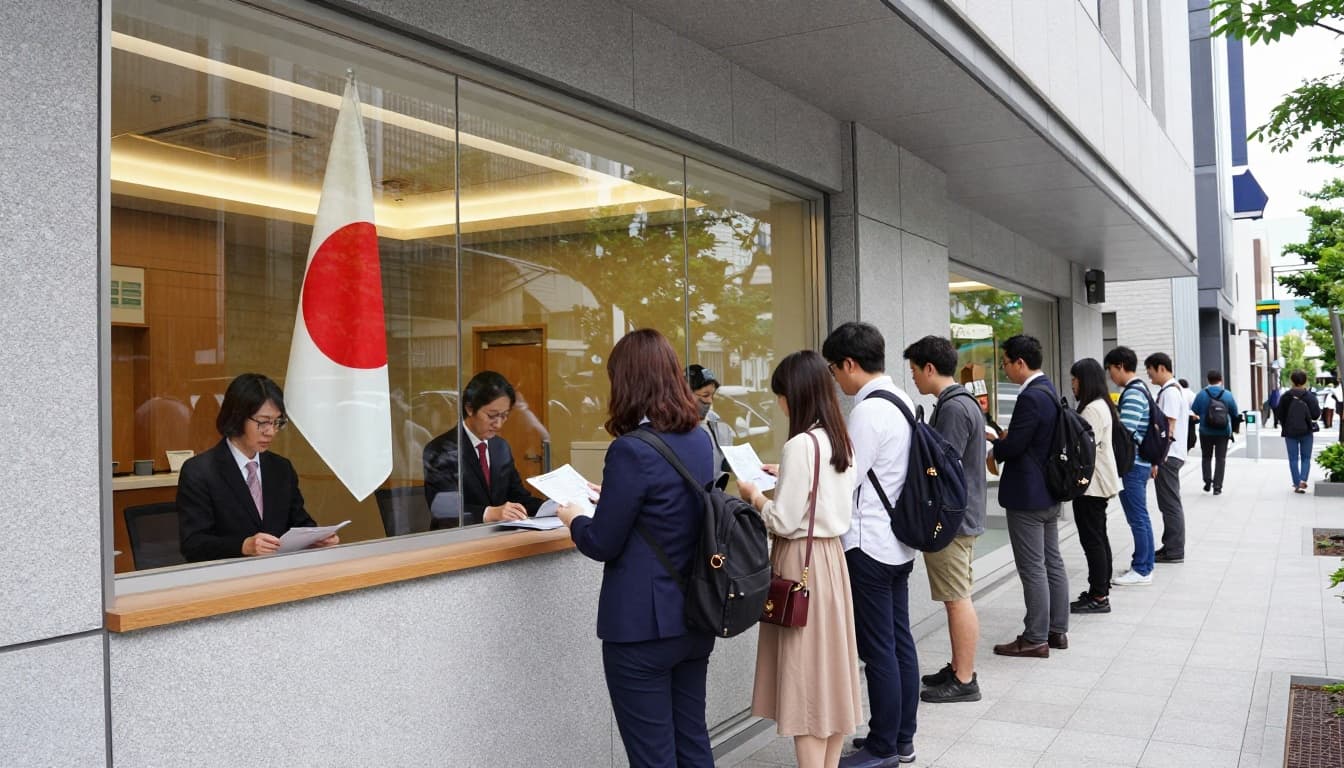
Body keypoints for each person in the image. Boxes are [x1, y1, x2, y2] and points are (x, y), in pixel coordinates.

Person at [554, 329, 717, 768]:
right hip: (695, 617)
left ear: (626, 382)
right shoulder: (700, 440)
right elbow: (669, 507)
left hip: (642, 630)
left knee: (653, 756)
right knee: (692, 742)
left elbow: (602, 542)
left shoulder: (631, 450)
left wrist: (574, 517)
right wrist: (614, 496)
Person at [737, 350, 862, 768]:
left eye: (781, 395)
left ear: (796, 394)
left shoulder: (799, 445)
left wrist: (755, 496)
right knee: (830, 679)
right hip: (832, 563)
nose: (780, 403)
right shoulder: (839, 440)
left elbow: (784, 521)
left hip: (799, 564)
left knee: (806, 680)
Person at [822, 321, 919, 767]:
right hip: (897, 543)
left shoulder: (867, 411)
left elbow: (845, 480)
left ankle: (883, 746)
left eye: (834, 369)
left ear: (849, 364)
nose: (835, 380)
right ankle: (901, 736)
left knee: (878, 648)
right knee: (899, 641)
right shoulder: (902, 399)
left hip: (869, 544)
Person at [177, 373, 339, 562]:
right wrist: (243, 546)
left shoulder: (281, 469)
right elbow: (193, 544)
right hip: (227, 578)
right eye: (262, 422)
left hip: (279, 573)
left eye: (277, 422)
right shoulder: (200, 471)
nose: (270, 432)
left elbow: (300, 523)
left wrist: (317, 538)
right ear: (237, 417)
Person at [903, 335, 984, 703]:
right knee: (957, 595)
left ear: (930, 368)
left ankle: (965, 678)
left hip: (953, 521)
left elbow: (940, 467)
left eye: (915, 371)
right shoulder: (960, 401)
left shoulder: (952, 408)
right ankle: (958, 667)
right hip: (962, 516)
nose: (914, 379)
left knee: (956, 598)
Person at [987, 335, 1069, 658]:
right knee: (1052, 562)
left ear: (1020, 363)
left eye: (1005, 363)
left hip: (1028, 496)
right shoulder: (1049, 390)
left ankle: (1035, 637)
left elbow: (1016, 445)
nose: (1005, 369)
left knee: (1033, 567)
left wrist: (996, 445)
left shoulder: (1030, 397)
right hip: (1048, 492)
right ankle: (1056, 630)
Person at [422, 371, 548, 525]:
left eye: (504, 415)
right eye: (492, 415)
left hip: (498, 537)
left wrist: (550, 508)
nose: (499, 424)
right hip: (456, 540)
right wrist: (491, 513)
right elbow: (444, 509)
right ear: (469, 408)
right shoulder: (441, 450)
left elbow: (518, 497)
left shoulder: (500, 447)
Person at [1069, 359, 1122, 614]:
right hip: (1099, 482)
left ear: (1085, 380)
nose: (1072, 384)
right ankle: (1099, 590)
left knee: (1093, 539)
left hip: (1091, 484)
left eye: (1074, 379)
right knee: (1098, 536)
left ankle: (1099, 595)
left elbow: (1083, 446)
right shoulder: (1102, 405)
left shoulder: (1091, 409)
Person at [1105, 346, 1155, 587]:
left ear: (1121, 366)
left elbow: (1125, 433)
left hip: (1134, 464)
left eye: (1111, 370)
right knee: (1139, 516)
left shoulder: (1134, 393)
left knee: (1138, 517)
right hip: (1139, 463)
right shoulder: (1141, 389)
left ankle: (1143, 569)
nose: (1111, 377)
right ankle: (1142, 563)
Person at [1145, 353, 1187, 565]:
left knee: (1170, 504)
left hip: (1168, 456)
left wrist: (1157, 459)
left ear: (1161, 368)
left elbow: (1167, 428)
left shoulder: (1170, 392)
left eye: (1150, 370)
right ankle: (1171, 546)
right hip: (1171, 455)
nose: (1149, 375)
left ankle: (1174, 550)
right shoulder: (1174, 390)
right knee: (1170, 503)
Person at [1191, 370, 1238, 495]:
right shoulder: (1227, 395)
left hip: (1205, 431)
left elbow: (1194, 411)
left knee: (1206, 457)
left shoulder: (1201, 394)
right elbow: (1234, 413)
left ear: (1208, 380)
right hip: (1223, 431)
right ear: (1221, 379)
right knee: (1220, 459)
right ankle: (1217, 487)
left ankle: (1207, 482)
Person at [1275, 369, 1322, 494]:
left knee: (1293, 458)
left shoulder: (1286, 397)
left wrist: (1286, 424)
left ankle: (1296, 483)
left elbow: (1279, 414)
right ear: (1305, 381)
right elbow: (1316, 415)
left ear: (1292, 380)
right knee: (1306, 458)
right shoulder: (1310, 397)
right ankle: (1303, 480)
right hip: (1307, 431)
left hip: (1290, 432)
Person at [687, 364, 732, 489]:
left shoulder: (716, 423)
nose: (710, 401)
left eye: (712, 395)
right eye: (705, 395)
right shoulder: (671, 427)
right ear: (685, 394)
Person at [1179, 378, 1199, 453]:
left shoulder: (1179, 393)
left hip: (1181, 416)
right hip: (1191, 416)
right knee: (1191, 432)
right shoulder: (1192, 394)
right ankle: (1189, 446)